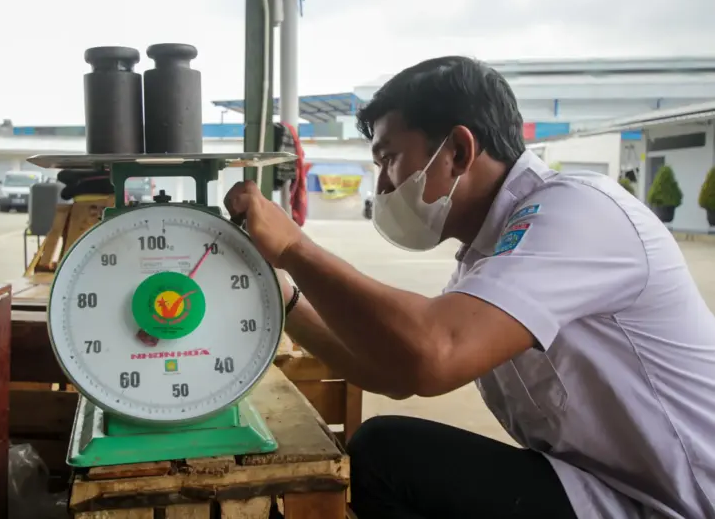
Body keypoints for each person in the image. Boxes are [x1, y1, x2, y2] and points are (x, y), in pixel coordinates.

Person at [224, 56, 715, 519]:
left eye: (388, 158)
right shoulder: (487, 260)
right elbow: (393, 372)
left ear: (458, 151)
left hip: (685, 502)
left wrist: (294, 248)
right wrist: (283, 299)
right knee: (386, 457)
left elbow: (434, 351)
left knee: (385, 458)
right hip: (606, 491)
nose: (382, 187)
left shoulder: (579, 211)